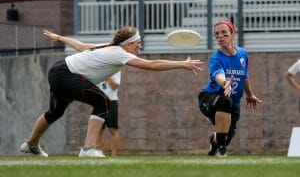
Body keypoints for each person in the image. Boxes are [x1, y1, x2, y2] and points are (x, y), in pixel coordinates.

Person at [20, 26, 204, 157]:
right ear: (128, 44)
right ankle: (88, 149)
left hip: (60, 70)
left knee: (55, 112)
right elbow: (152, 65)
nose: (140, 46)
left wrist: (60, 37)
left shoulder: (110, 47)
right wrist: (182, 64)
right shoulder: (119, 53)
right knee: (102, 101)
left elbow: (80, 46)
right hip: (65, 73)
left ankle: (31, 144)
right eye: (137, 43)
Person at [198, 20, 262, 157]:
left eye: (224, 33)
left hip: (234, 103)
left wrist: (250, 94)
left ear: (233, 35)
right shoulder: (216, 58)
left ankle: (215, 142)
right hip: (209, 98)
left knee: (224, 138)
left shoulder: (243, 54)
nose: (220, 36)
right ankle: (222, 150)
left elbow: (245, 75)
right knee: (225, 101)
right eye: (217, 34)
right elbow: (218, 75)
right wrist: (224, 83)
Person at [89, 71, 121, 157]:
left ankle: (114, 155)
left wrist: (107, 75)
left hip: (111, 102)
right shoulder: (100, 69)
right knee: (98, 130)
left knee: (112, 130)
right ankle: (99, 153)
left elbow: (114, 86)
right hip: (98, 102)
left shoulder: (115, 70)